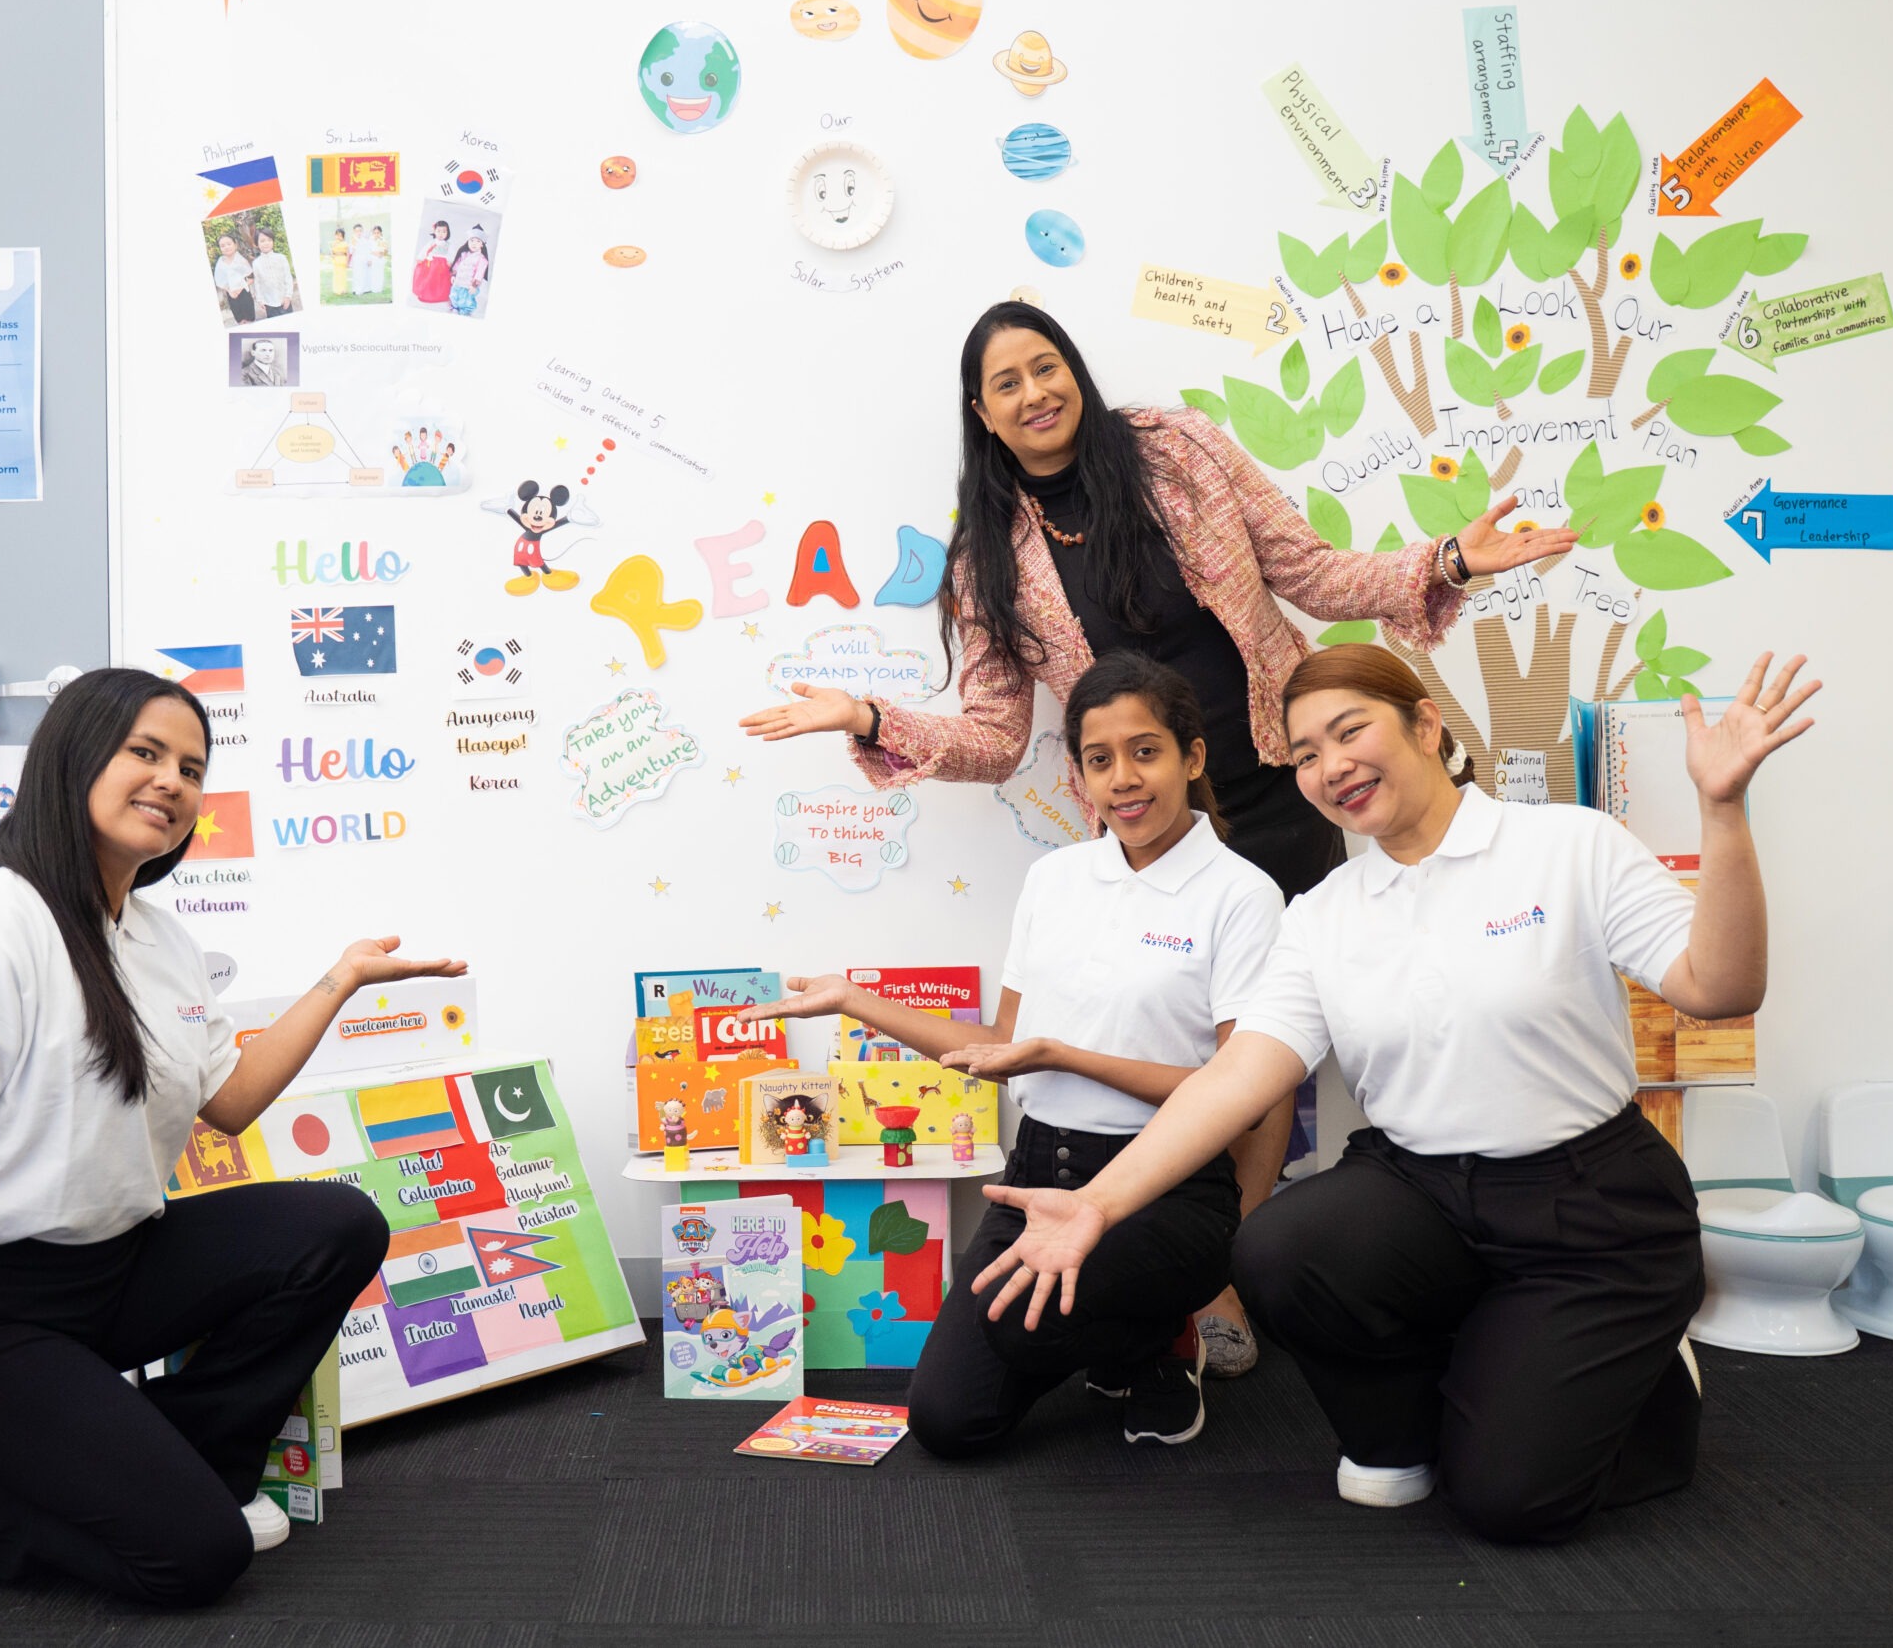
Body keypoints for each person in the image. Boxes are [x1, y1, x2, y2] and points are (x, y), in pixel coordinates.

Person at [739, 301, 1576, 1376]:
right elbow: (998, 737)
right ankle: (1168, 1246)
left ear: (1074, 372)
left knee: (1266, 1049)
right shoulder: (986, 557)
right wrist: (869, 719)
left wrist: (1451, 559)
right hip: (1142, 817)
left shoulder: (1178, 450)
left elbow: (1311, 574)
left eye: (1048, 367)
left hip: (1274, 784)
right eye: (1007, 384)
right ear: (982, 415)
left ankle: (1230, 1251)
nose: (1035, 393)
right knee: (1176, 1041)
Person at [972, 644, 1818, 1542]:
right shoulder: (1325, 912)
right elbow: (1237, 1080)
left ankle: (1645, 1376)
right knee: (1276, 1245)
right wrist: (1098, 1204)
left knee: (1508, 1502)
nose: (1331, 766)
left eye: (1349, 730)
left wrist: (1722, 809)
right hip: (1422, 1193)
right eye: (1303, 754)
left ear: (1423, 724)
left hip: (1587, 1203)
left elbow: (1721, 988)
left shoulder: (1565, 845)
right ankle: (1408, 1427)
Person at [0, 667, 464, 1605]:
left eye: (192, 768)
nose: (173, 781)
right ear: (76, 761)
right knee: (198, 1558)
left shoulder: (163, 939)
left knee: (339, 1226)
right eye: (145, 753)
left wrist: (341, 980)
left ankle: (171, 1460)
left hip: (114, 1268)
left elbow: (232, 1102)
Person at [764, 653, 1283, 1453]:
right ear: (1078, 773)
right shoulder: (1055, 879)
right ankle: (1118, 1341)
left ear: (1193, 757)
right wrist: (853, 999)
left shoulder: (1241, 894)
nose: (1124, 779)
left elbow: (1241, 1089)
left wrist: (1068, 1056)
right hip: (1040, 1169)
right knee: (949, 1420)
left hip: (1169, 1183)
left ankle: (1157, 1346)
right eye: (1099, 759)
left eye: (1146, 751)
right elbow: (1002, 1050)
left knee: (1033, 1325)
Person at [250, 226, 296, 319]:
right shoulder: (256, 263)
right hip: (269, 304)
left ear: (273, 242)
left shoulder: (281, 258)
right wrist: (260, 300)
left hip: (284, 301)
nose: (266, 243)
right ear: (257, 244)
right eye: (262, 241)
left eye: (269, 240)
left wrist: (288, 296)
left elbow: (288, 277)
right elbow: (258, 283)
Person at [212, 231, 254, 324]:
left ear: (235, 245)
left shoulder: (241, 260)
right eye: (222, 246)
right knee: (239, 320)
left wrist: (240, 288)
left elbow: (251, 279)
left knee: (249, 319)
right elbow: (220, 281)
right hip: (231, 295)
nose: (226, 247)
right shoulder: (220, 262)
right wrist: (229, 291)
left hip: (244, 293)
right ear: (220, 248)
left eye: (229, 244)